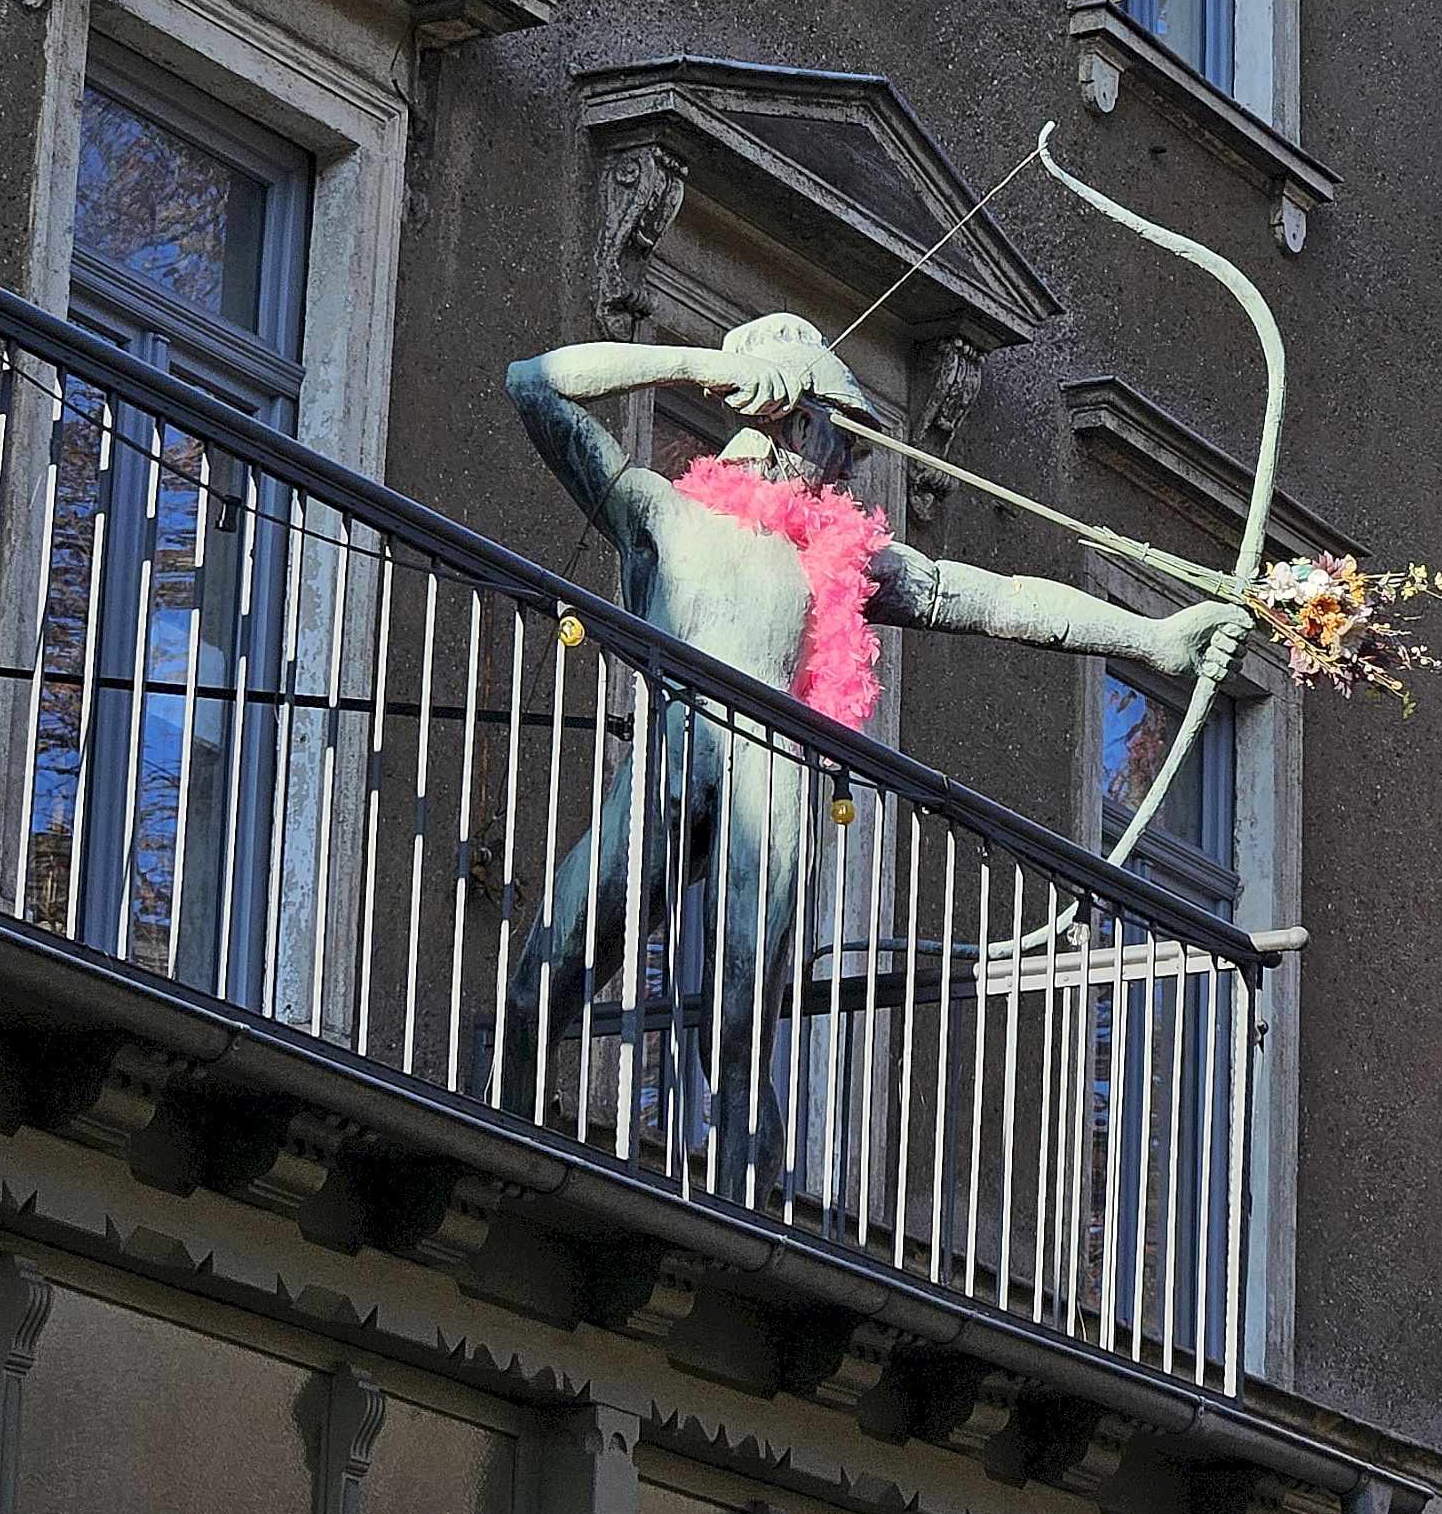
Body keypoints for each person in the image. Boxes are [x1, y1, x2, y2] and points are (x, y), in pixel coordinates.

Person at [495, 314, 1248, 1197]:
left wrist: (1151, 639)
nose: (850, 461)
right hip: (670, 763)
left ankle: (742, 1149)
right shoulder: (663, 513)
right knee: (554, 961)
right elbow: (532, 380)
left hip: (768, 777)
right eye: (839, 432)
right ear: (785, 413)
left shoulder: (835, 559)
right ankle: (504, 1116)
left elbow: (992, 595)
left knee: (745, 997)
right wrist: (702, 363)